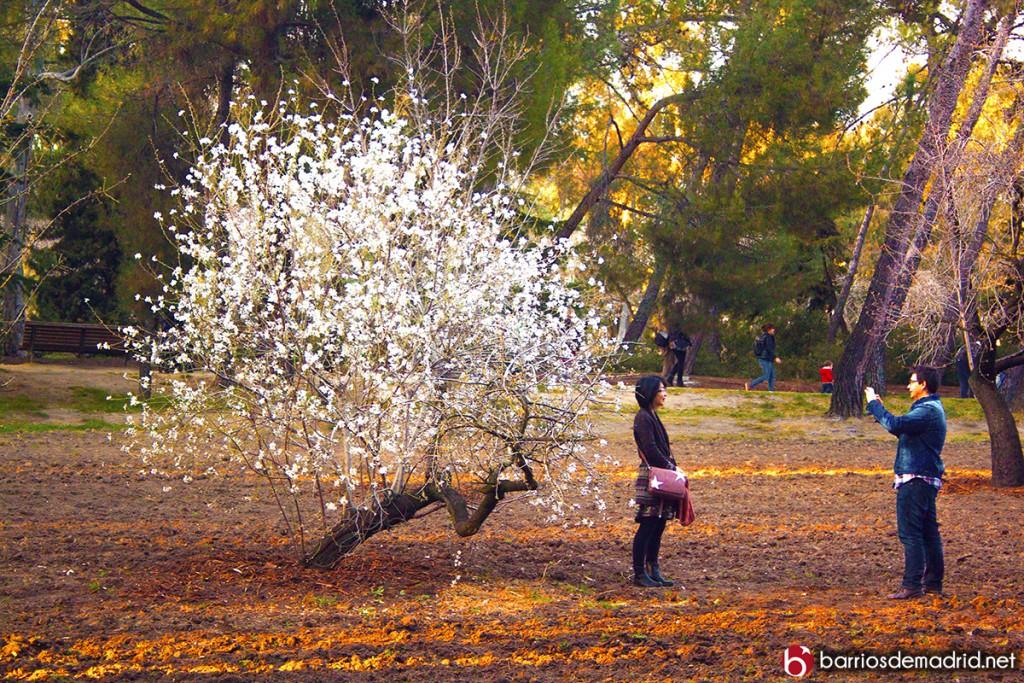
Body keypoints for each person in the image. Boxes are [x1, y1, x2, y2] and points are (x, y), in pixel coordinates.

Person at [864, 366, 946, 600]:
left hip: (915, 479)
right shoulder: (930, 410)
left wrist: (873, 404)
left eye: (912, 382)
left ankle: (912, 585)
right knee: (929, 533)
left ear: (923, 385)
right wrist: (880, 408)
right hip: (926, 478)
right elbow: (901, 428)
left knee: (911, 534)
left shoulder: (927, 411)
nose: (909, 386)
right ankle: (932, 584)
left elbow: (896, 425)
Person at [631, 376, 683, 587]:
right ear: (650, 392)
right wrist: (672, 468)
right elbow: (651, 449)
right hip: (655, 476)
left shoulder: (651, 415)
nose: (665, 394)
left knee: (659, 523)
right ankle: (640, 573)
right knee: (648, 525)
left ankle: (653, 569)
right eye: (661, 390)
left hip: (661, 474)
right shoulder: (643, 417)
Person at [745, 324, 780, 391]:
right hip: (765, 359)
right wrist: (775, 357)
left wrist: (773, 358)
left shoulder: (766, 336)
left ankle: (771, 391)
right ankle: (750, 385)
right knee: (766, 376)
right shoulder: (768, 337)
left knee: (772, 376)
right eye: (772, 328)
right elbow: (769, 349)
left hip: (768, 359)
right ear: (769, 329)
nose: (774, 330)